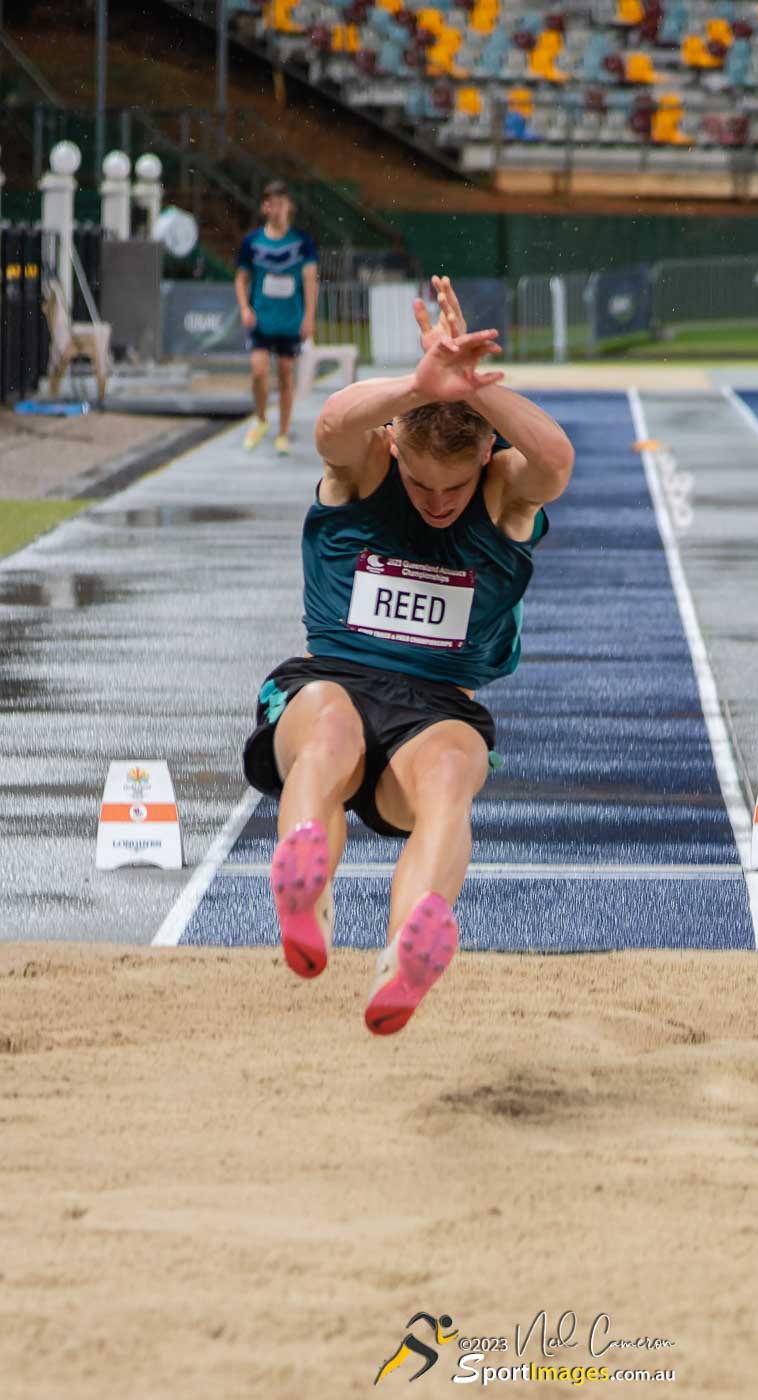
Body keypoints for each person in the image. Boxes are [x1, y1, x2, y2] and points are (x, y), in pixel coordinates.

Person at [242, 276, 575, 1035]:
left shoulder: (502, 496)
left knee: (453, 773)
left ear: (488, 454)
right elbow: (330, 426)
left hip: (436, 709)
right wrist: (417, 385)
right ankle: (307, 896)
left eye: (453, 485)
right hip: (331, 680)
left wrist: (478, 393)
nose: (434, 501)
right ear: (394, 445)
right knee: (329, 739)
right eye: (420, 481)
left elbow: (554, 462)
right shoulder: (364, 469)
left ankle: (405, 955)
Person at [234, 180, 318, 457]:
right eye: (272, 203)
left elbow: (309, 280)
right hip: (261, 321)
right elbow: (241, 279)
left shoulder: (302, 242)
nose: (277, 209)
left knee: (285, 373)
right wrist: (245, 308)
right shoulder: (252, 242)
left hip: (290, 322)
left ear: (289, 207)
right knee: (259, 372)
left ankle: (283, 433)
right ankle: (260, 419)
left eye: (282, 203)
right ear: (264, 207)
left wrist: (309, 316)